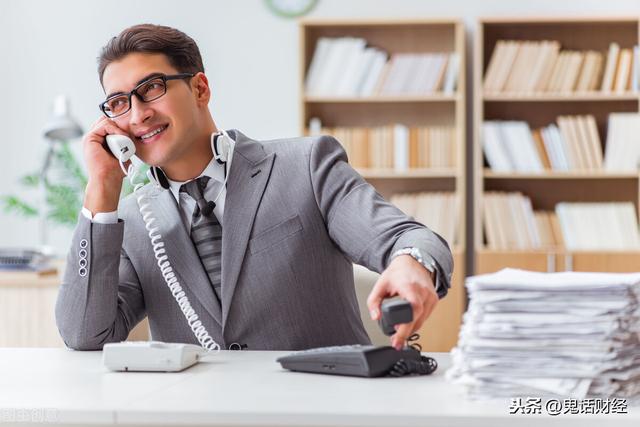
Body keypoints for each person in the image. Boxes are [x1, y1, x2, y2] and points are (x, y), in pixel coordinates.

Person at [55, 24, 453, 351]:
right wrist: (102, 191)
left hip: (320, 410)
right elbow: (84, 334)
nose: (139, 113)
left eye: (153, 88)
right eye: (119, 102)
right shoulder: (128, 221)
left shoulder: (307, 166)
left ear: (199, 89)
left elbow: (407, 237)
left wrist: (411, 264)